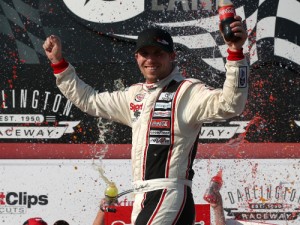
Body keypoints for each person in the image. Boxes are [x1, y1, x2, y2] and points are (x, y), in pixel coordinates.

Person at [43, 14, 248, 225]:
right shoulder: (134, 95)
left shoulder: (188, 91)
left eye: (158, 53)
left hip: (169, 194)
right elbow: (90, 101)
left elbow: (231, 103)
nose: (151, 59)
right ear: (137, 57)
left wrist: (235, 53)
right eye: (144, 53)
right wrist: (59, 64)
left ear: (172, 56)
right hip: (141, 196)